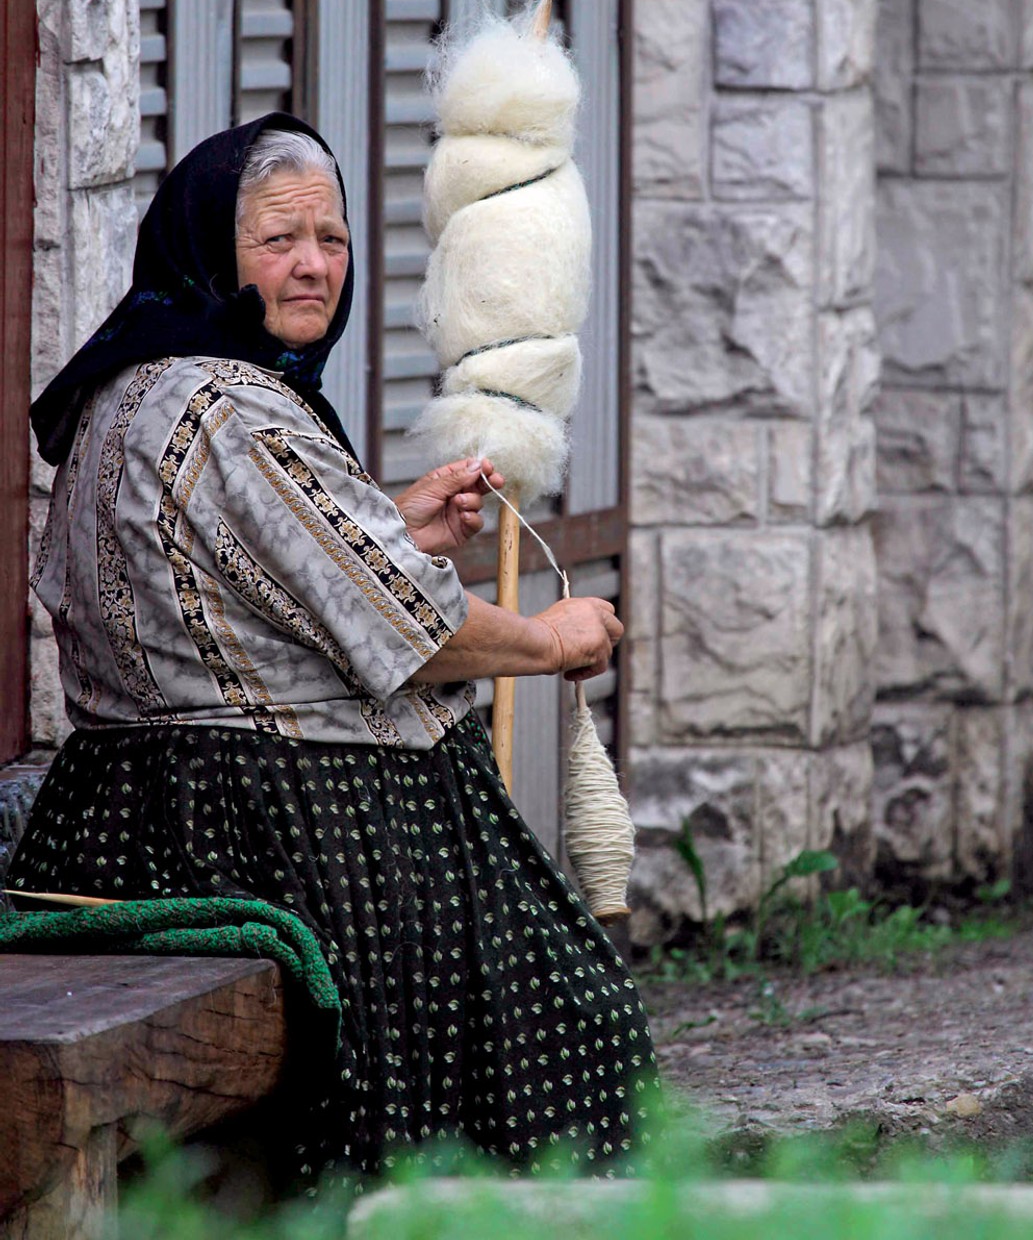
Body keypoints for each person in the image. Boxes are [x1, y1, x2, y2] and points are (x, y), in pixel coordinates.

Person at [10, 113, 658, 1187]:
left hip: (122, 820)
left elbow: (230, 579)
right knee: (574, 1029)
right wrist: (550, 637)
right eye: (277, 239)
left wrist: (387, 524)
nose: (312, 263)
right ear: (213, 249)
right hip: (279, 832)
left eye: (333, 237)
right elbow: (416, 632)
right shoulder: (235, 408)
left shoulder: (128, 391)